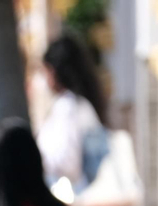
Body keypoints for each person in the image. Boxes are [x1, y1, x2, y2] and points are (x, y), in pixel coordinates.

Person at [37, 34, 109, 193]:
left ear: (54, 71)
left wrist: (36, 161)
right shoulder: (82, 104)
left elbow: (67, 162)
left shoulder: (67, 106)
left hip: (69, 199)